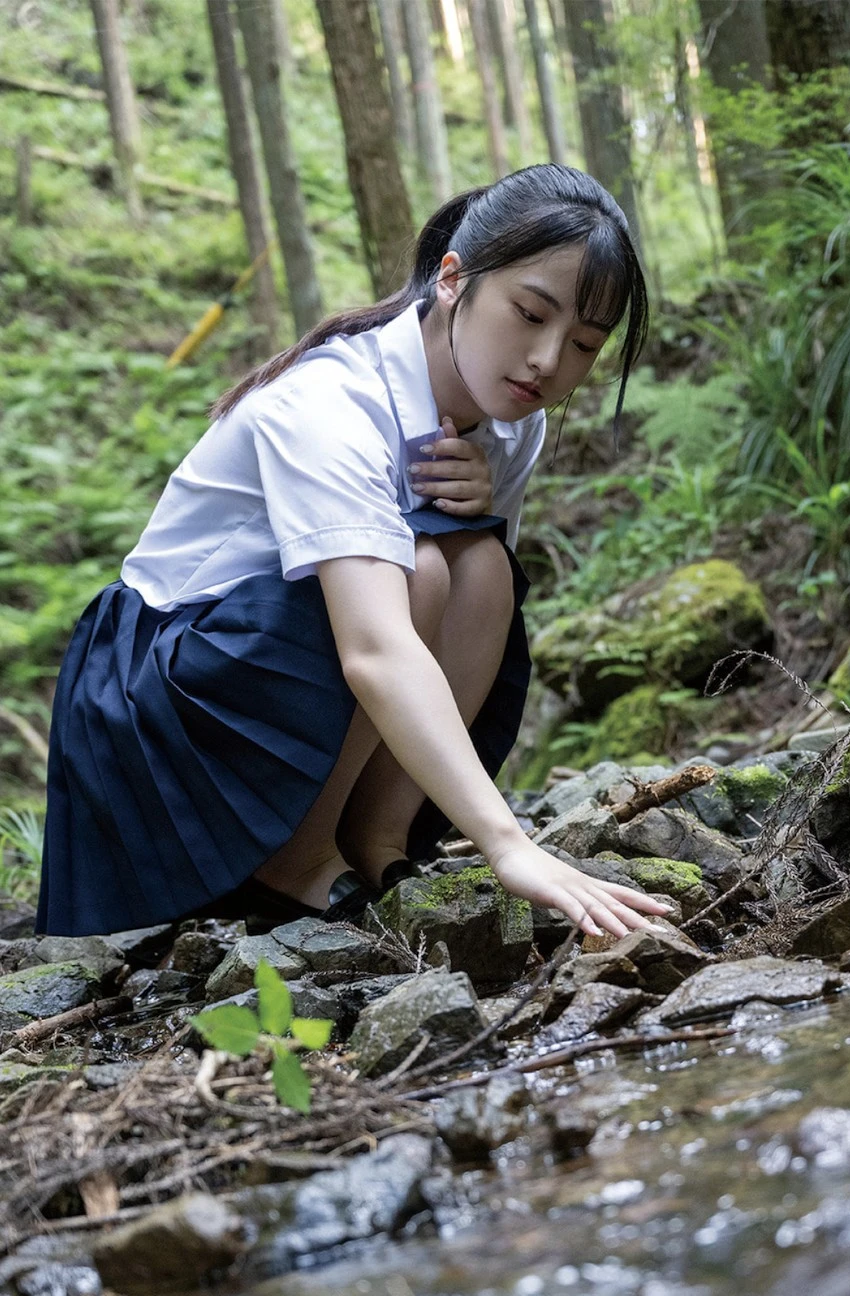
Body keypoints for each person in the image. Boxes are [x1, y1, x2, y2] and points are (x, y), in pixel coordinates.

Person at [37, 164, 671, 947]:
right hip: (155, 713)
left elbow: (467, 614)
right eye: (530, 314)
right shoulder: (328, 403)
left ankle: (376, 836)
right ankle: (295, 856)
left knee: (483, 571)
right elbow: (377, 649)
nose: (547, 361)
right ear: (452, 279)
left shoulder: (514, 422)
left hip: (279, 683)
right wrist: (510, 845)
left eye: (582, 343)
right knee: (423, 569)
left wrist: (473, 514)